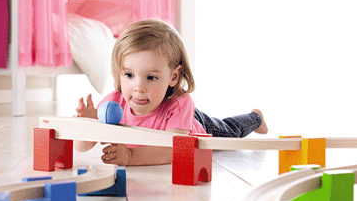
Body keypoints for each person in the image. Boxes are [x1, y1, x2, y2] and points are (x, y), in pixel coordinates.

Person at [75, 19, 268, 166]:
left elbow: (173, 151)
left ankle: (255, 118)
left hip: (193, 126)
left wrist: (131, 156)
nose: (138, 87)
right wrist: (89, 125)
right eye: (129, 75)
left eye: (151, 78)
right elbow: (80, 147)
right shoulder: (114, 103)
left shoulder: (180, 104)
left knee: (228, 131)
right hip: (169, 129)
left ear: (173, 77)